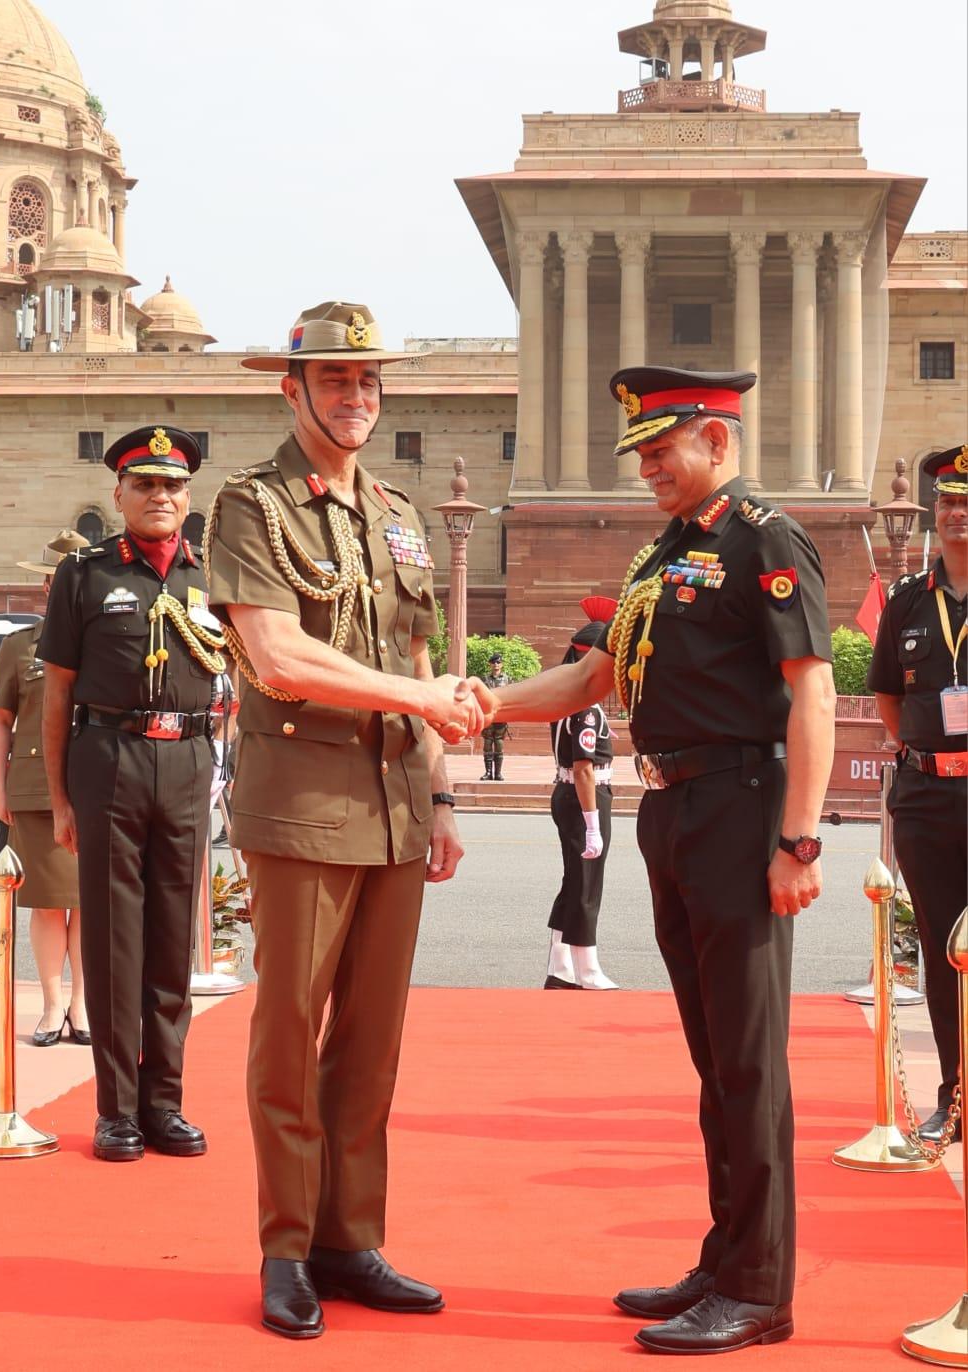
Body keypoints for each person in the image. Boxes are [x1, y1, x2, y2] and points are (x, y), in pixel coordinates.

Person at [472, 366, 835, 1356]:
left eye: (660, 451)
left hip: (743, 807)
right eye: (640, 454)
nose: (646, 470)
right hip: (674, 810)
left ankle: (761, 1288)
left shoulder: (765, 537)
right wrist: (486, 701)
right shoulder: (663, 553)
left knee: (751, 1060)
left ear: (718, 443)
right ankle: (725, 1258)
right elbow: (595, 674)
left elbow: (811, 691)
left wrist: (801, 838)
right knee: (715, 1058)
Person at [204, 301, 480, 1340]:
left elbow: (415, 651)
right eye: (334, 379)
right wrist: (422, 706)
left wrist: (443, 791)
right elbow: (278, 657)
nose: (356, 396)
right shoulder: (252, 506)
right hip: (305, 804)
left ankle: (348, 1239)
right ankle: (284, 1247)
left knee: (370, 1045)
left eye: (369, 380)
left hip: (399, 803)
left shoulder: (400, 511)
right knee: (288, 1036)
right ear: (292, 388)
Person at [40, 426, 223, 1164]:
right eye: (145, 485)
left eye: (173, 486)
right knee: (115, 942)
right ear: (119, 494)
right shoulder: (82, 576)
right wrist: (58, 801)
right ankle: (116, 1112)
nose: (160, 496)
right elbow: (55, 695)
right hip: (106, 758)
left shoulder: (213, 577)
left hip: (186, 760)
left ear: (189, 497)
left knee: (173, 941)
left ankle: (164, 1103)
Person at [868, 443, 967, 1145]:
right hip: (928, 798)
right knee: (941, 949)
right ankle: (955, 1097)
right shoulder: (906, 599)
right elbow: (884, 693)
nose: (959, 514)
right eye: (951, 503)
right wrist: (920, 753)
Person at [0, 531, 90, 1047]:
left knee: (93, 903)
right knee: (49, 903)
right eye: (59, 580)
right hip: (34, 791)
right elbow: (0, 721)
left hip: (98, 788)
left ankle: (82, 1006)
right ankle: (52, 1006)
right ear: (48, 586)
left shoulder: (108, 643)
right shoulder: (19, 646)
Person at [545, 597, 618, 991]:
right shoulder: (587, 709)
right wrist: (593, 824)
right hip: (584, 796)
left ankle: (561, 965)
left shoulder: (564, 699)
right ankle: (586, 965)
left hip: (568, 794)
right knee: (588, 881)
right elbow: (585, 768)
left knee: (575, 879)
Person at [480, 652, 510, 779]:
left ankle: (497, 773)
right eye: (493, 663)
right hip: (488, 715)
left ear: (501, 664)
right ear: (490, 665)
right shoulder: (485, 680)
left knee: (499, 744)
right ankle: (488, 773)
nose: (496, 665)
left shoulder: (507, 679)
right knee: (487, 744)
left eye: (498, 662)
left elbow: (510, 696)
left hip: (501, 715)